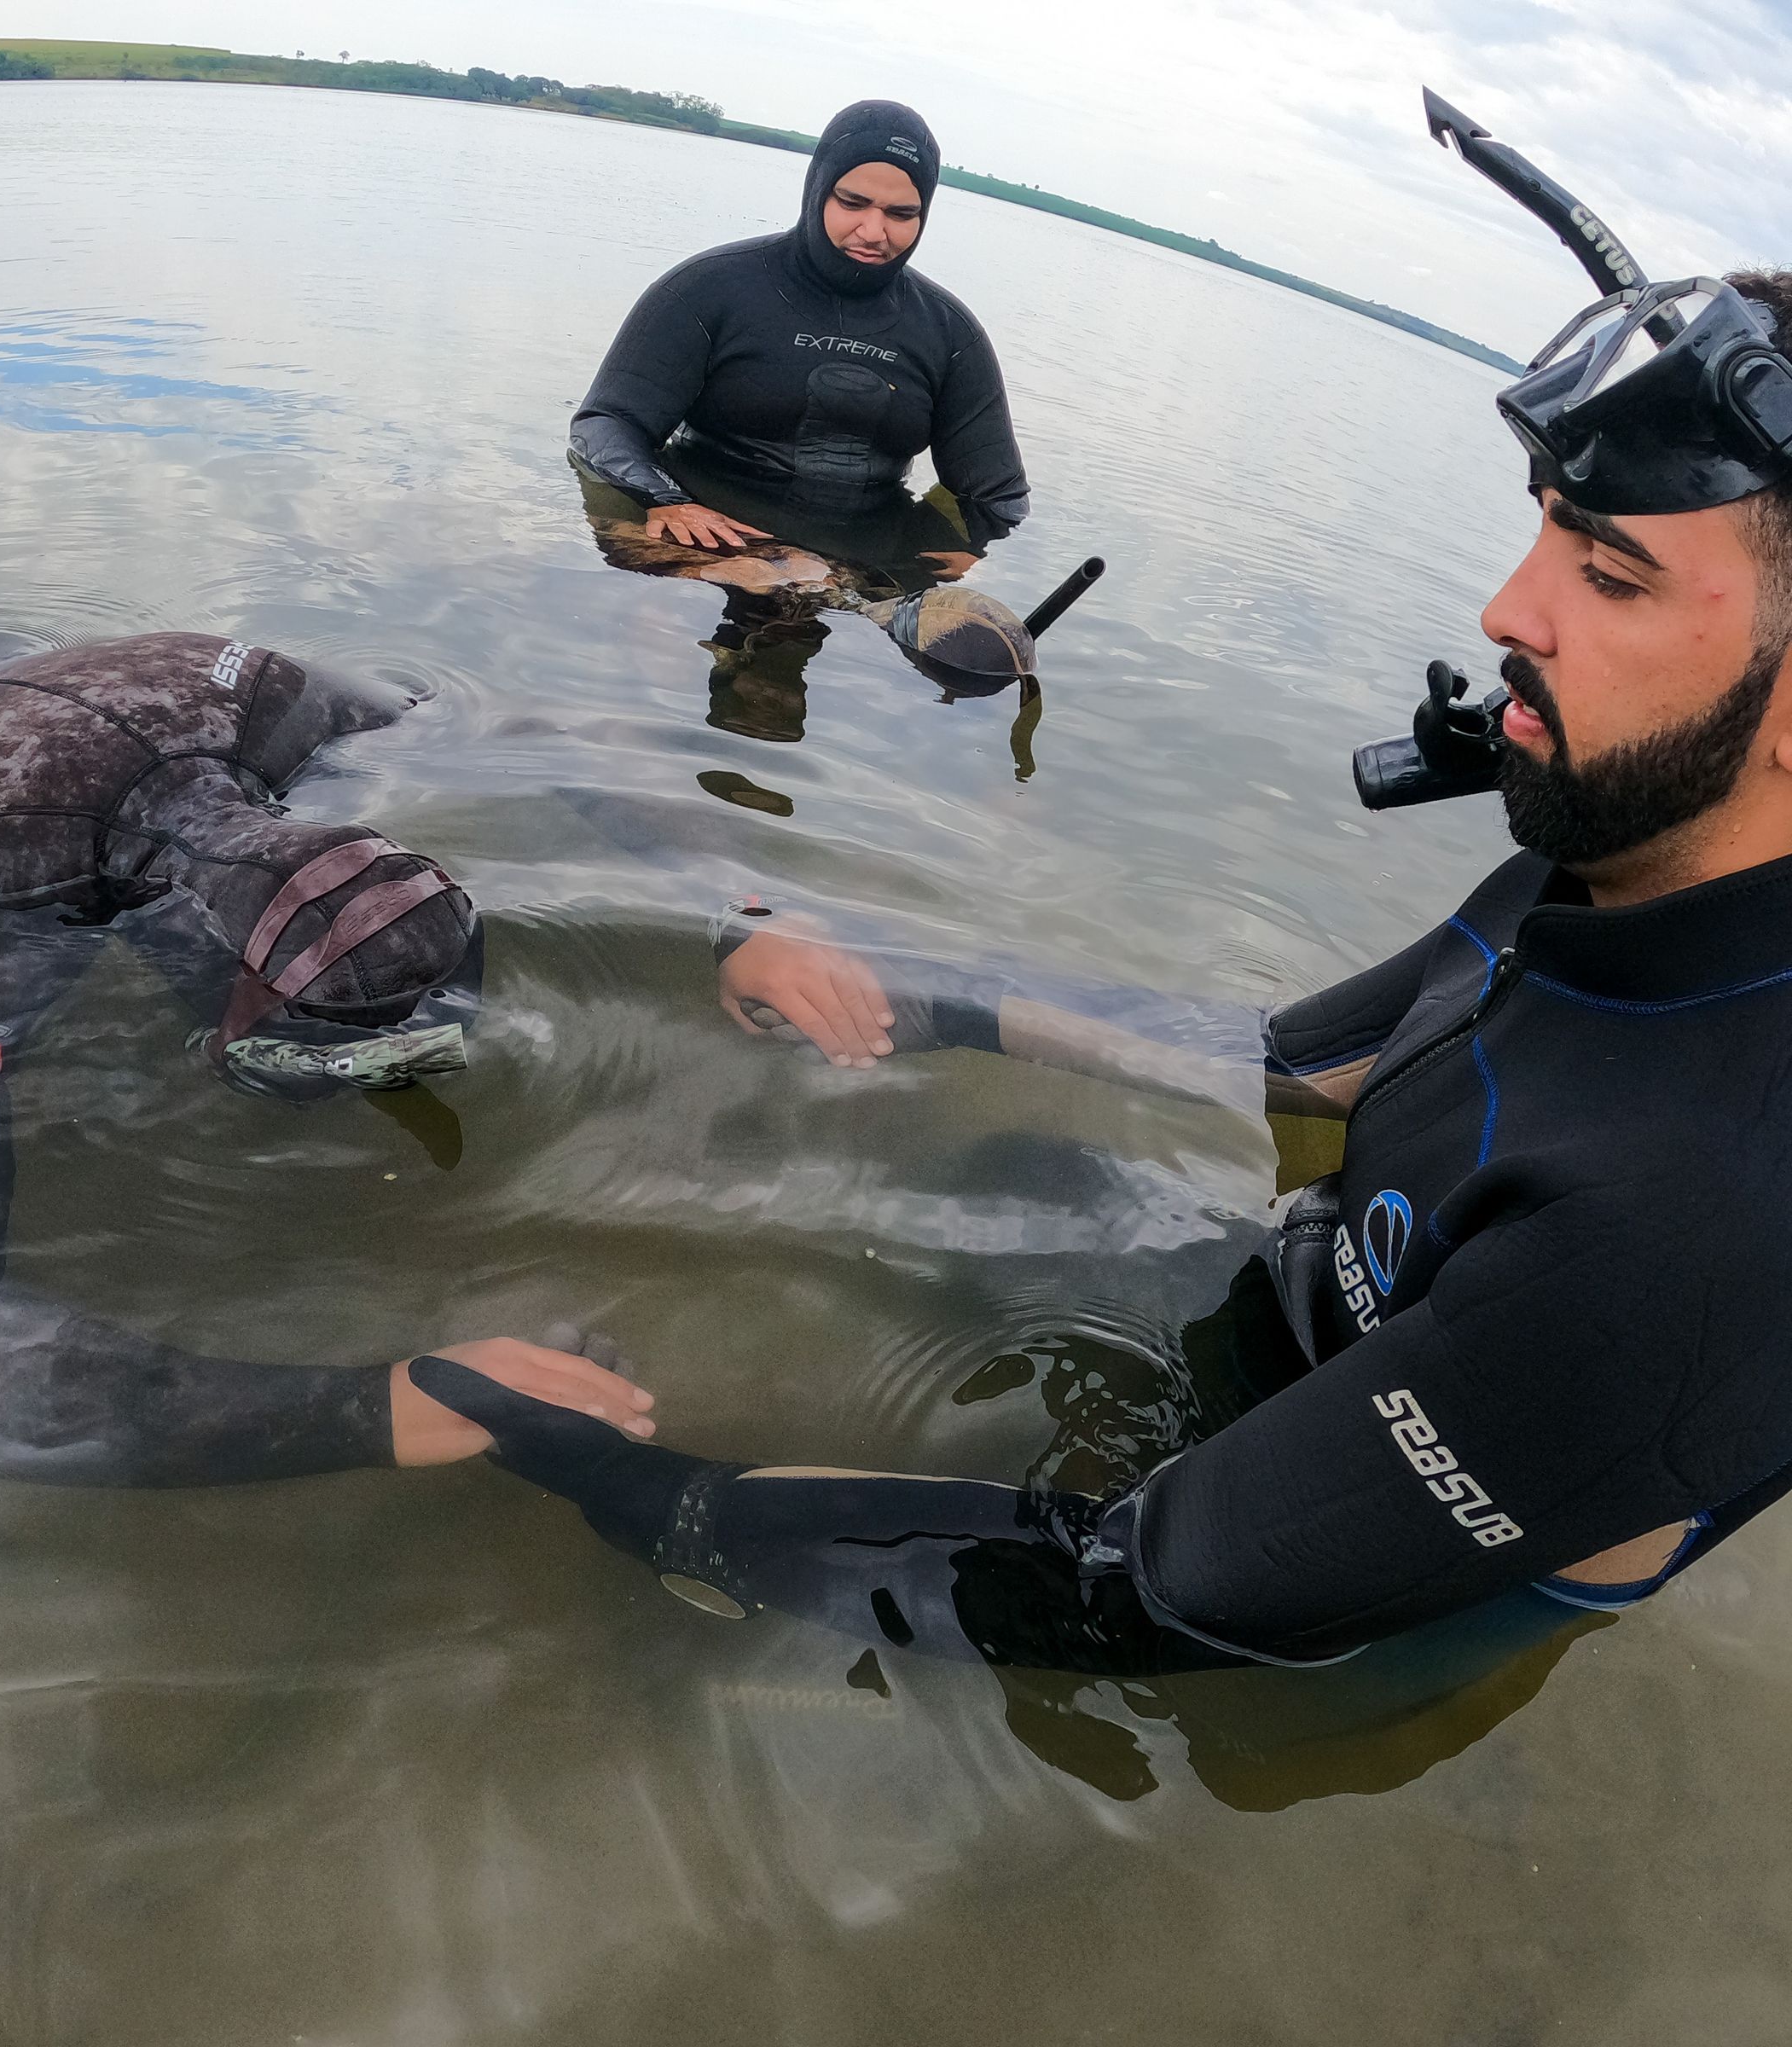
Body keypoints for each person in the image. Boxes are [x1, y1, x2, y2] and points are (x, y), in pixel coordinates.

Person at [403, 258, 1792, 1676]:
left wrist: (635, 1492)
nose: (1505, 612)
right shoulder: (1629, 849)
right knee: (1002, 1174)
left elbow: (1146, 1587)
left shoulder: (1697, 1232)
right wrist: (909, 992)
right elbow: (1288, 1062)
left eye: (1610, 575)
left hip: (1356, 1600)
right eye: (1545, 536)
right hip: (1315, 1309)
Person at [0, 632, 649, 1482]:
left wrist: (726, 915)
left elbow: (534, 731)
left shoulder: (286, 701)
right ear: (247, 995)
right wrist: (376, 1410)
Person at [568, 100, 1030, 564]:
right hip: (707, 541)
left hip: (856, 564)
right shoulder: (706, 289)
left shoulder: (951, 334)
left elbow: (998, 498)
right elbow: (605, 424)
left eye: (901, 213)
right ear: (817, 190)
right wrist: (664, 500)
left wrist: (957, 556)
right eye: (852, 203)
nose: (873, 231)